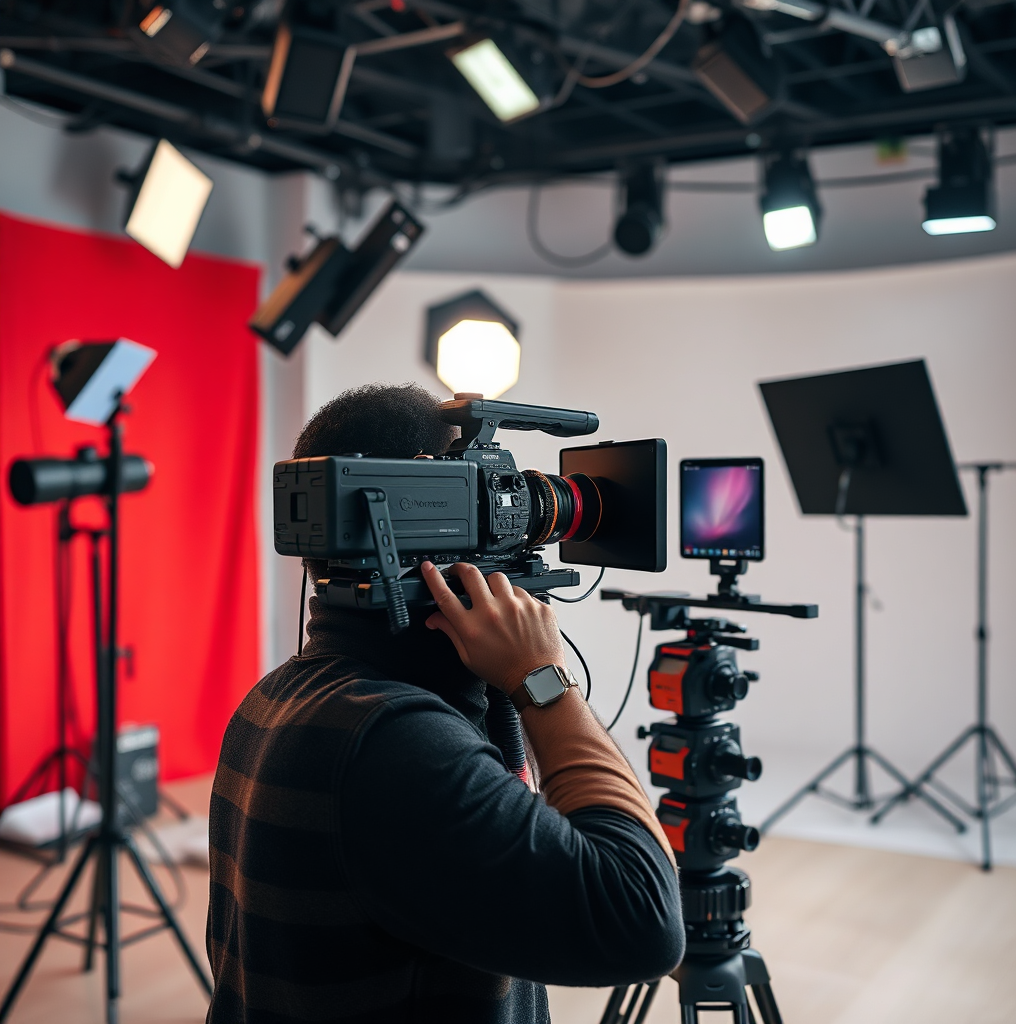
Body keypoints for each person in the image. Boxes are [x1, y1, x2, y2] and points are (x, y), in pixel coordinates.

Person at [206, 383, 684, 1024]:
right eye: (491, 497)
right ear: (418, 517)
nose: (518, 516)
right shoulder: (396, 743)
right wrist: (541, 679)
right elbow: (642, 921)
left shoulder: (276, 698)